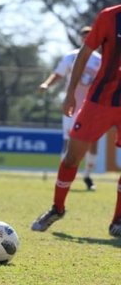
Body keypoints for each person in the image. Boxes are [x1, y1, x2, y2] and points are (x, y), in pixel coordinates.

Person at [31, 5, 121, 237]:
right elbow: (84, 53)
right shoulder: (110, 16)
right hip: (99, 101)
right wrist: (70, 93)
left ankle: (118, 221)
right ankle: (57, 208)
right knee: (72, 157)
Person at [37, 26, 101, 190]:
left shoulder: (99, 60)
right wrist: (46, 84)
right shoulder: (71, 56)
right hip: (72, 106)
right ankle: (62, 177)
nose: (87, 37)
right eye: (84, 35)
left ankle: (87, 176)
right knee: (68, 142)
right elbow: (58, 74)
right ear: (80, 38)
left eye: (90, 35)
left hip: (91, 108)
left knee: (92, 143)